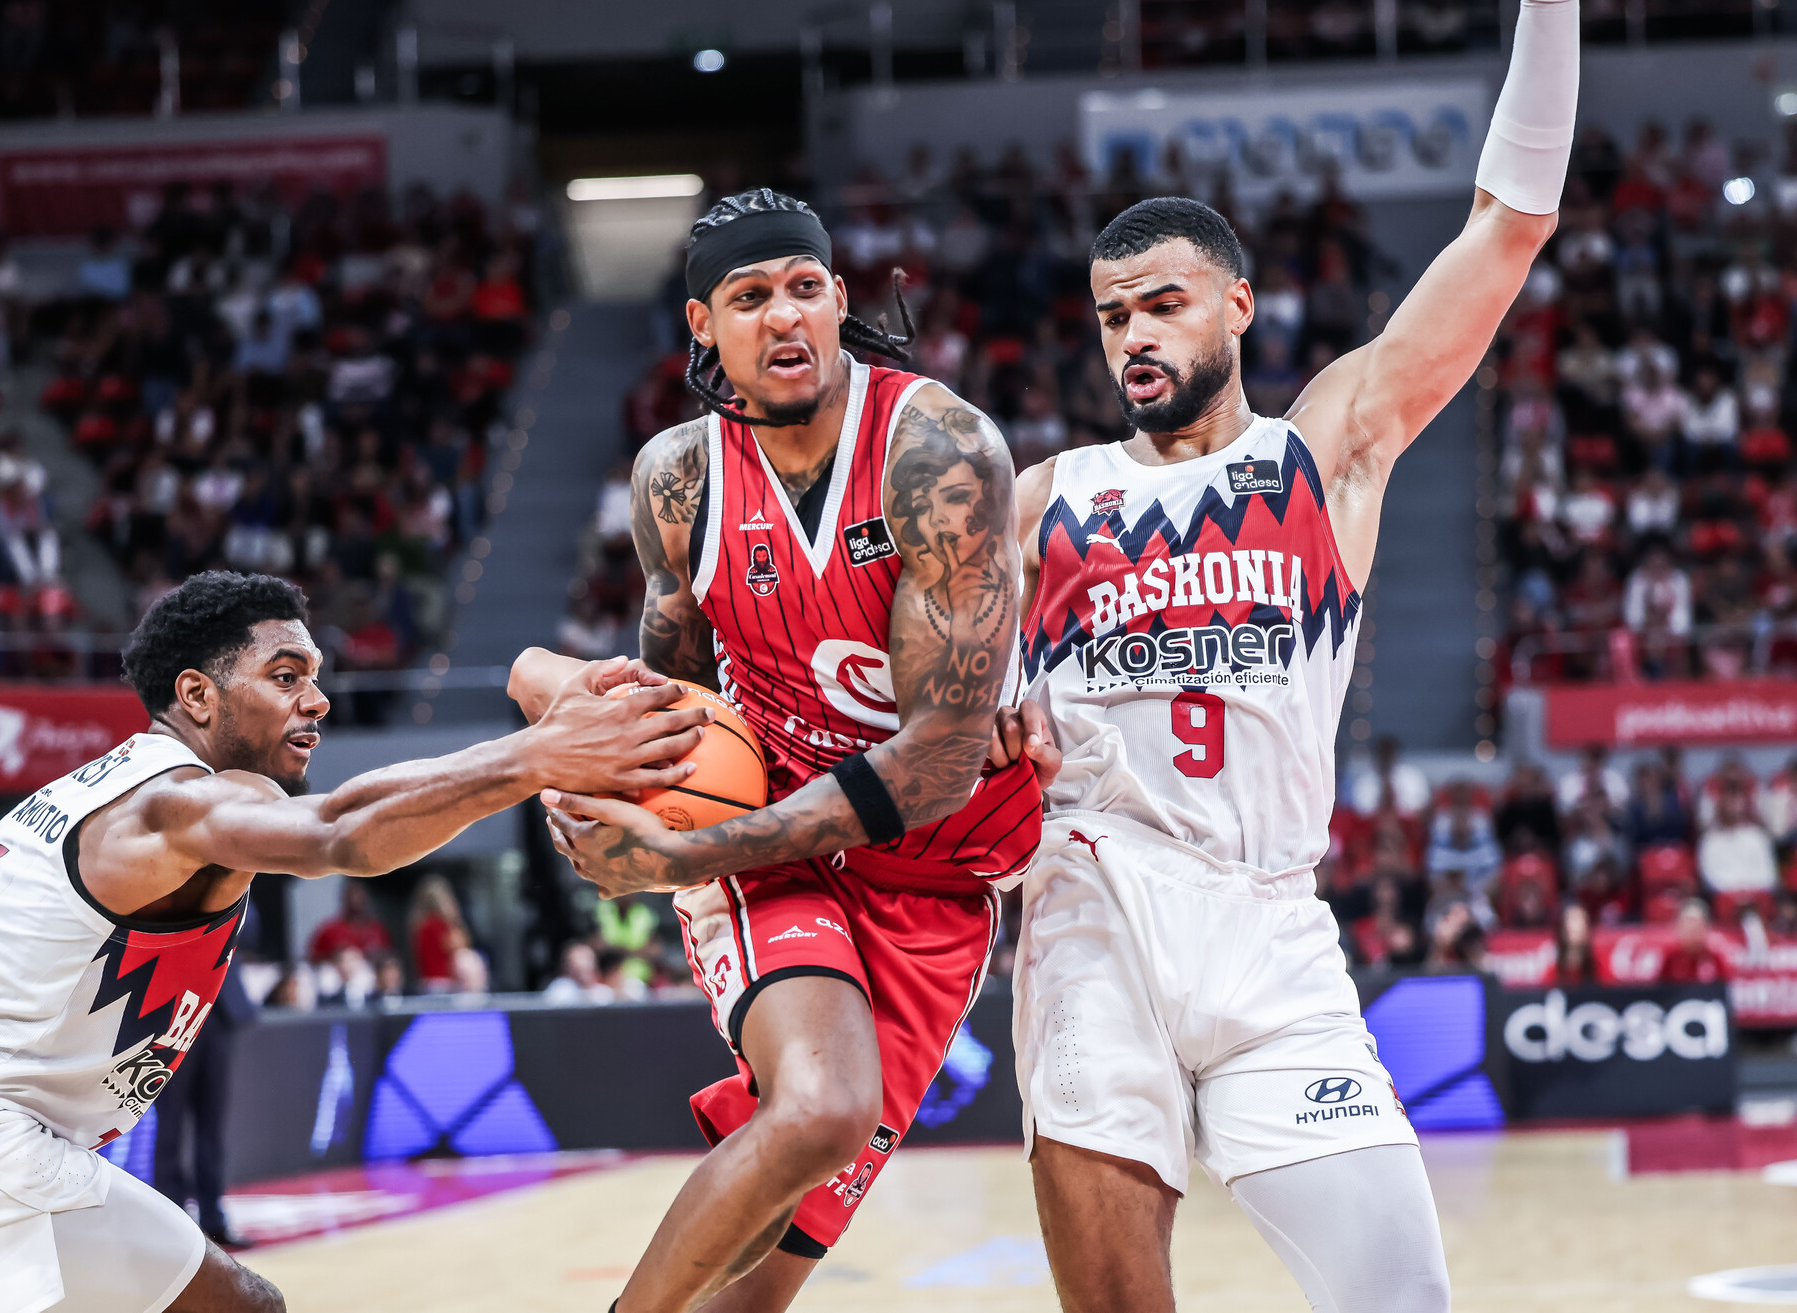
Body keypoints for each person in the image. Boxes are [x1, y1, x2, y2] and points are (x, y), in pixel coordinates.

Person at [991, 5, 1577, 1308]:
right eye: (1111, 315)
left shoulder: (1323, 456)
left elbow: (1510, 224)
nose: (1134, 334)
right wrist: (985, 723)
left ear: (1239, 305)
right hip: (1095, 919)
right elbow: (943, 698)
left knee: (1402, 1298)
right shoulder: (1044, 498)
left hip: (1273, 934)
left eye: (1163, 304)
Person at [0, 570, 710, 1313]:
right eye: (283, 675)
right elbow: (341, 835)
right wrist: (536, 755)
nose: (314, 698)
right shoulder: (181, 796)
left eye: (314, 673)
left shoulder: (100, 789)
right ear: (196, 694)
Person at [509, 188, 1041, 1313]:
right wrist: (620, 786)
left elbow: (941, 760)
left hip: (929, 873)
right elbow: (681, 699)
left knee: (755, 1285)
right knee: (820, 1107)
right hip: (772, 847)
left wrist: (684, 851)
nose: (784, 316)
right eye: (749, 297)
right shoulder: (676, 481)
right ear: (702, 323)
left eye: (805, 288)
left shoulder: (934, 449)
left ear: (841, 300)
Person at [152, 967, 256, 1249]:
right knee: (169, 1125)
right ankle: (172, 1221)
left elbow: (250, 931)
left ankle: (213, 1219)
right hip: (173, 1011)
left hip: (219, 1012)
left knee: (213, 1126)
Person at [408, 874, 490, 994]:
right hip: (445, 984)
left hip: (427, 983)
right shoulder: (440, 925)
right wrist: (455, 919)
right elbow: (460, 946)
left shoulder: (418, 926)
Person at [306, 881, 393, 964]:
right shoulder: (330, 930)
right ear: (343, 899)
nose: (356, 901)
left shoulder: (377, 930)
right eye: (352, 896)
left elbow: (388, 958)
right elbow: (313, 960)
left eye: (359, 897)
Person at [1658, 899, 1729, 984]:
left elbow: (1723, 992)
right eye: (1688, 923)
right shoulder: (1670, 958)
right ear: (1678, 927)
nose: (1692, 929)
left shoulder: (1715, 959)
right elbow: (1661, 993)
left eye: (1697, 923)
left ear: (1707, 927)